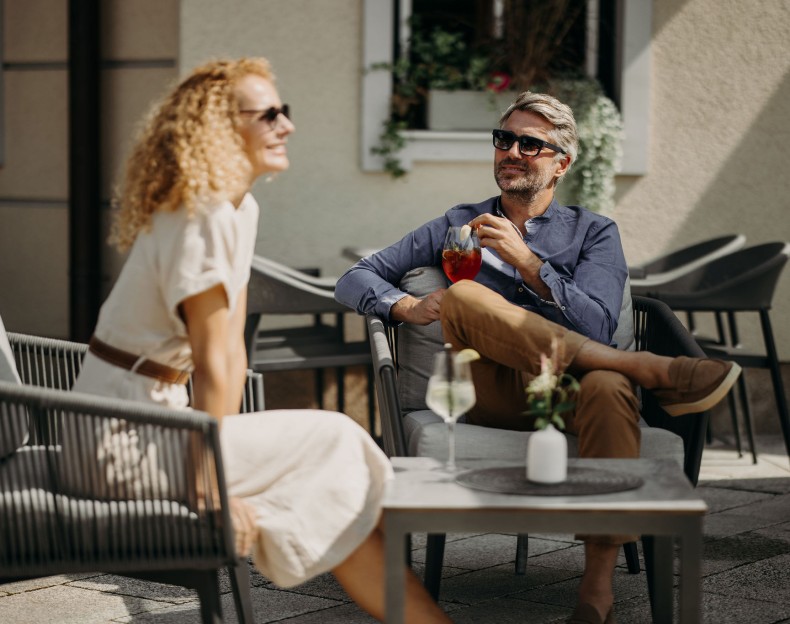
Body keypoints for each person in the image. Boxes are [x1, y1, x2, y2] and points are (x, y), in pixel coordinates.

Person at [335, 90, 740, 624]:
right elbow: (354, 277)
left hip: (575, 389)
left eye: (530, 144)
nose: (511, 152)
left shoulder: (594, 232)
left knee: (608, 386)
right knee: (464, 295)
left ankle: (596, 591)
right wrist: (406, 307)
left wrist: (529, 264)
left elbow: (598, 324)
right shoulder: (460, 222)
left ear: (561, 164)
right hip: (492, 390)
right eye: (504, 139)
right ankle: (647, 369)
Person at [71, 58, 451, 623]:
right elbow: (215, 363)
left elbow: (233, 350)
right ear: (220, 130)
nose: (287, 125)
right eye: (269, 115)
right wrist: (211, 485)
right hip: (119, 439)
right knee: (332, 440)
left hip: (164, 422)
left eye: (284, 111)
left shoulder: (237, 208)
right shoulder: (201, 217)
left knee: (335, 448)